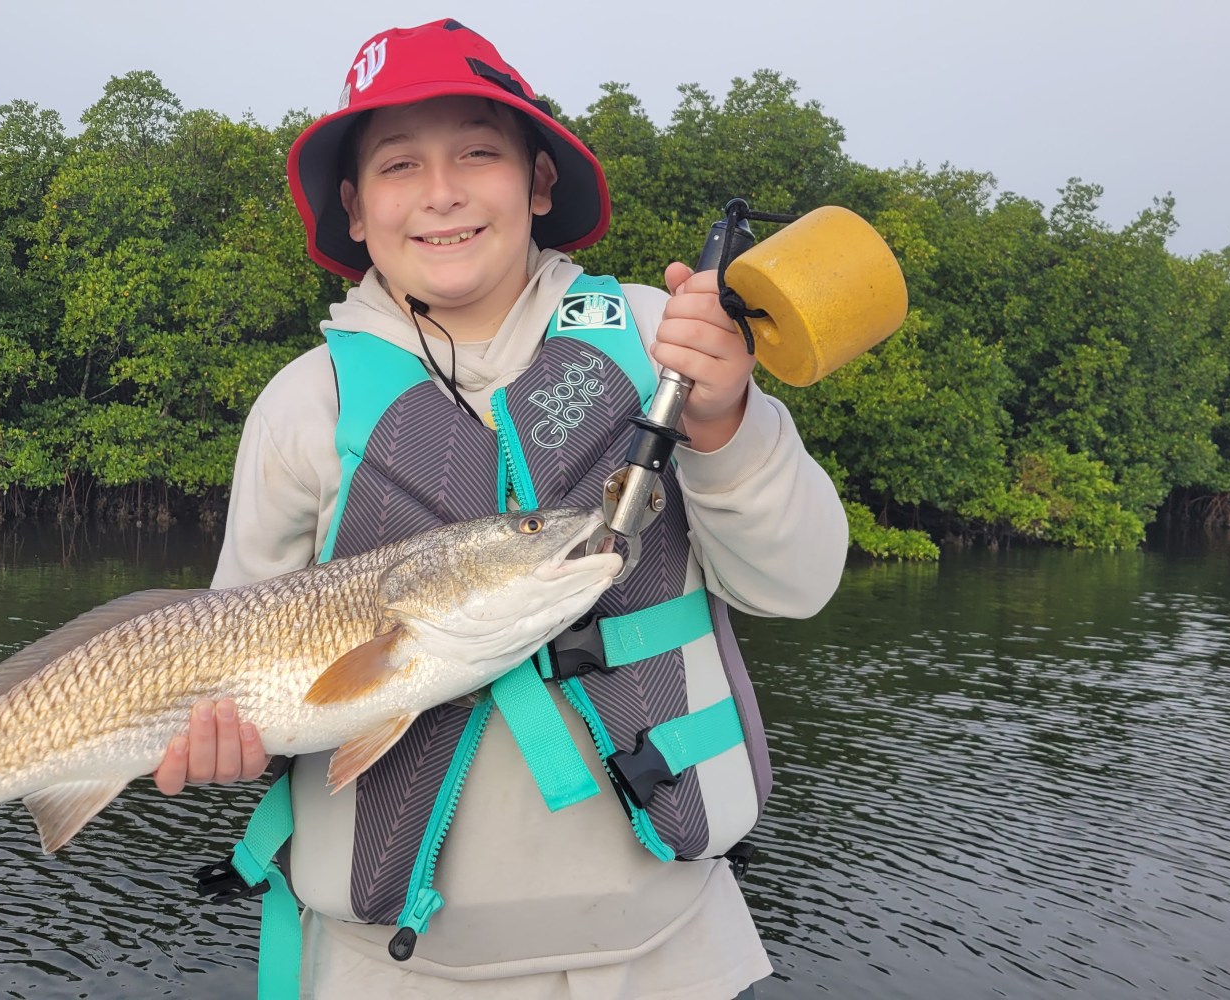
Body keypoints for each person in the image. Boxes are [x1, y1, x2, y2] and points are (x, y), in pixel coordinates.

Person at [154, 18, 847, 1000]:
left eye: (478, 152)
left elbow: (800, 582)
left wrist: (730, 415)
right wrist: (224, 738)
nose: (440, 193)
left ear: (538, 181)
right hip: (387, 973)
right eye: (399, 165)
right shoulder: (303, 405)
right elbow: (232, 661)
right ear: (353, 208)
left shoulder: (666, 338)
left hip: (674, 956)